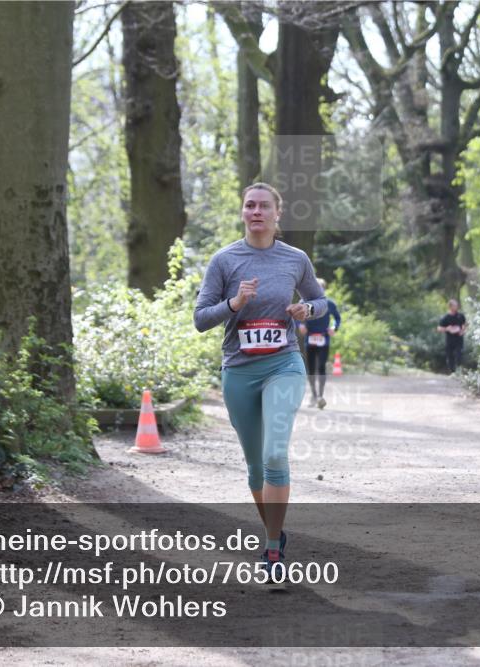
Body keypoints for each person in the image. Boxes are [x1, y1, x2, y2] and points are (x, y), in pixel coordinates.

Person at [193, 183, 327, 582]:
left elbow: (321, 304)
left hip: (283, 364)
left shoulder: (295, 259)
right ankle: (276, 534)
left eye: (263, 206)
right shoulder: (224, 260)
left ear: (277, 214)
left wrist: (306, 309)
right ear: (242, 213)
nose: (256, 212)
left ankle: (271, 550)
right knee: (255, 469)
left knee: (274, 455)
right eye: (249, 205)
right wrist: (235, 304)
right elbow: (201, 319)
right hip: (239, 370)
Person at [296, 278, 341, 409]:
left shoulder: (329, 303)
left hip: (323, 338)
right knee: (310, 368)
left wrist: (334, 328)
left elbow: (337, 318)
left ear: (324, 289)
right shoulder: (303, 302)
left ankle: (321, 396)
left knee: (321, 366)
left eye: (321, 288)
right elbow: (295, 317)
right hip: (310, 338)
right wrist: (300, 325)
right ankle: (314, 395)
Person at [436, 299, 467, 373]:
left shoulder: (460, 316)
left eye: (457, 305)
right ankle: (452, 372)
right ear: (450, 307)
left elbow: (465, 325)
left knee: (459, 355)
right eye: (455, 305)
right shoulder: (446, 317)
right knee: (450, 357)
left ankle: (459, 371)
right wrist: (447, 328)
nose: (457, 307)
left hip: (459, 339)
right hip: (450, 340)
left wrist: (462, 331)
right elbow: (439, 328)